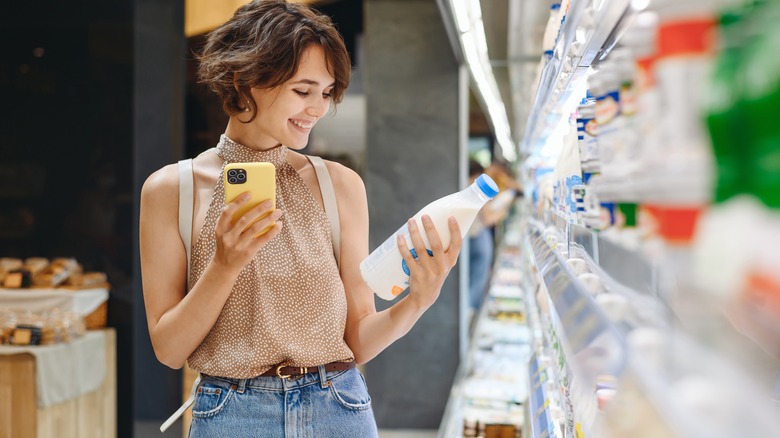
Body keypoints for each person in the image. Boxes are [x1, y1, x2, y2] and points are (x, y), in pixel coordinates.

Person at [138, 1, 462, 436]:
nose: (318, 108)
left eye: (326, 92)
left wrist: (417, 302)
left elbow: (359, 339)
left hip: (339, 407)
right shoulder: (169, 191)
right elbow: (169, 349)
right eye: (302, 90)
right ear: (244, 78)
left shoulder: (340, 186)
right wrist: (224, 265)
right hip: (233, 415)